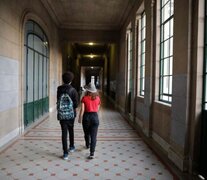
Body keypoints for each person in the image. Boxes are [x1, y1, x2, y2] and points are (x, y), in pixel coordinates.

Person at [57, 71, 79, 160]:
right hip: (71, 114)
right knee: (71, 129)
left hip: (62, 114)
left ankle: (65, 153)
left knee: (64, 132)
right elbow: (76, 104)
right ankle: (72, 146)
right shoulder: (73, 90)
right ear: (71, 80)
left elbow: (58, 100)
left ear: (63, 79)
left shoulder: (59, 88)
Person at [78, 83, 101, 159]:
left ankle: (87, 145)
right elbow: (97, 109)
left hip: (86, 117)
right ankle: (92, 153)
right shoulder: (98, 98)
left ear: (87, 90)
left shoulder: (84, 98)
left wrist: (79, 118)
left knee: (86, 133)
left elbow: (82, 110)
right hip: (95, 117)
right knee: (94, 136)